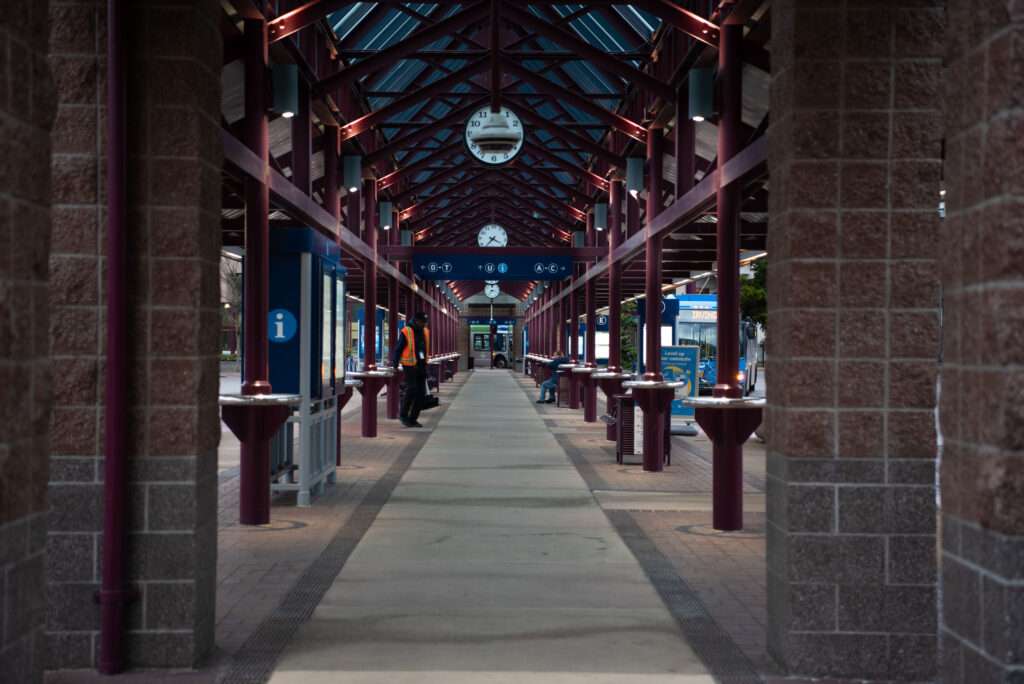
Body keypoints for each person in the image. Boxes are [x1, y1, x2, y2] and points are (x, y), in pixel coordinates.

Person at [392, 311, 429, 427]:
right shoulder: (406, 332)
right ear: (416, 320)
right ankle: (403, 414)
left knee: (421, 392)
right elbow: (398, 349)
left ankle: (413, 419)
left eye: (425, 322)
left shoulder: (426, 332)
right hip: (409, 366)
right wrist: (395, 365)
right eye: (422, 322)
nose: (424, 324)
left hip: (421, 366)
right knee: (412, 388)